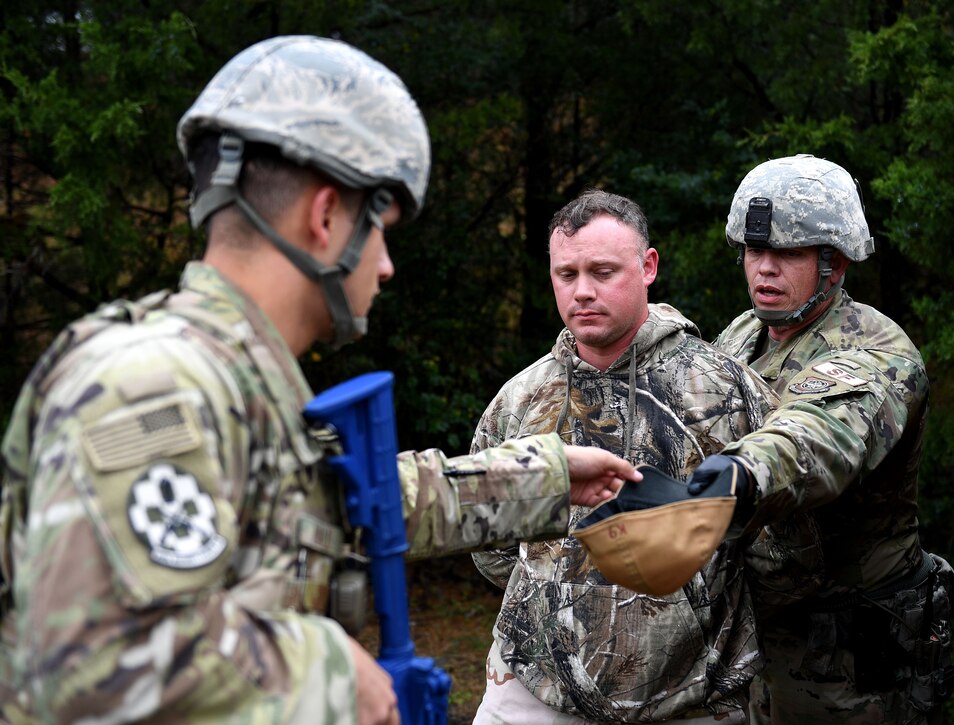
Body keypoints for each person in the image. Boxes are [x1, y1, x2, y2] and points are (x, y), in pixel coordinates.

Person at [0, 36, 642, 725]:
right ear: (327, 216)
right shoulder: (156, 383)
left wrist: (546, 475)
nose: (387, 265)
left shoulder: (227, 378)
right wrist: (333, 674)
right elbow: (96, 659)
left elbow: (342, 504)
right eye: (382, 231)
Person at [471, 189, 778, 724]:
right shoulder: (521, 400)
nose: (582, 292)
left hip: (691, 699)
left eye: (603, 271)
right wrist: (560, 595)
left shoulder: (724, 391)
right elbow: (488, 540)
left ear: (648, 266)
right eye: (566, 275)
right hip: (532, 690)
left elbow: (784, 544)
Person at [687, 154, 954, 723]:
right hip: (756, 641)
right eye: (755, 252)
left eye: (787, 253)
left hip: (847, 663)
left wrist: (737, 473)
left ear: (833, 264)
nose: (764, 269)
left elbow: (818, 437)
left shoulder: (877, 352)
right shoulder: (745, 333)